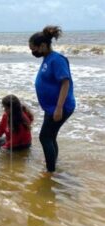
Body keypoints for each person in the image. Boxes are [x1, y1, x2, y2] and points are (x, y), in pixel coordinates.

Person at [29, 26, 76, 175]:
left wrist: (59, 108)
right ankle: (53, 163)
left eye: (34, 49)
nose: (33, 52)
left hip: (60, 106)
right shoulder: (47, 59)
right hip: (51, 107)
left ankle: (50, 172)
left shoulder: (57, 60)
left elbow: (65, 83)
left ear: (43, 46)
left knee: (44, 137)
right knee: (50, 136)